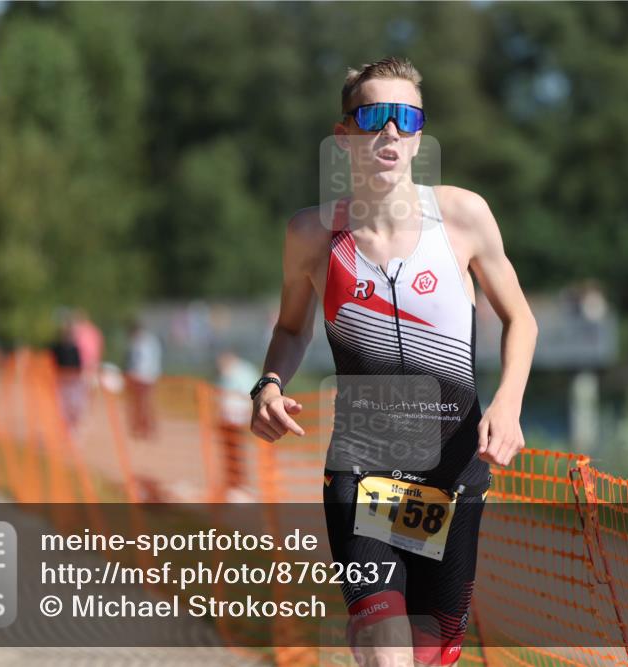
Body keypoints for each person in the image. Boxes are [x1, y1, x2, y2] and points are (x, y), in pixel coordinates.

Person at [250, 57, 538, 667]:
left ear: (418, 135)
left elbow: (521, 319)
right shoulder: (312, 234)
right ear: (345, 133)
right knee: (387, 654)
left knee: (434, 655)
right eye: (374, 117)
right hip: (363, 471)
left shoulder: (461, 217)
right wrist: (268, 385)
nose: (390, 133)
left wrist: (508, 404)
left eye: (406, 119)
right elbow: (290, 326)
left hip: (454, 473)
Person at [215, 350, 260, 501]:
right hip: (228, 417)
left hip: (236, 418)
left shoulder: (241, 372)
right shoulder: (231, 372)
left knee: (235, 452)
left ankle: (238, 483)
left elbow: (251, 393)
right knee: (231, 452)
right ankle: (234, 482)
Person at [124, 319, 162, 440]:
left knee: (145, 404)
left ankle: (147, 428)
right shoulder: (140, 341)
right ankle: (140, 427)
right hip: (142, 377)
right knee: (140, 404)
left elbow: (143, 362)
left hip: (144, 377)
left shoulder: (146, 342)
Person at [49, 317, 85, 433]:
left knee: (74, 406)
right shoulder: (57, 347)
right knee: (61, 406)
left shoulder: (75, 349)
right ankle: (62, 427)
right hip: (60, 381)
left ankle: (72, 427)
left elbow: (79, 366)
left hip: (73, 382)